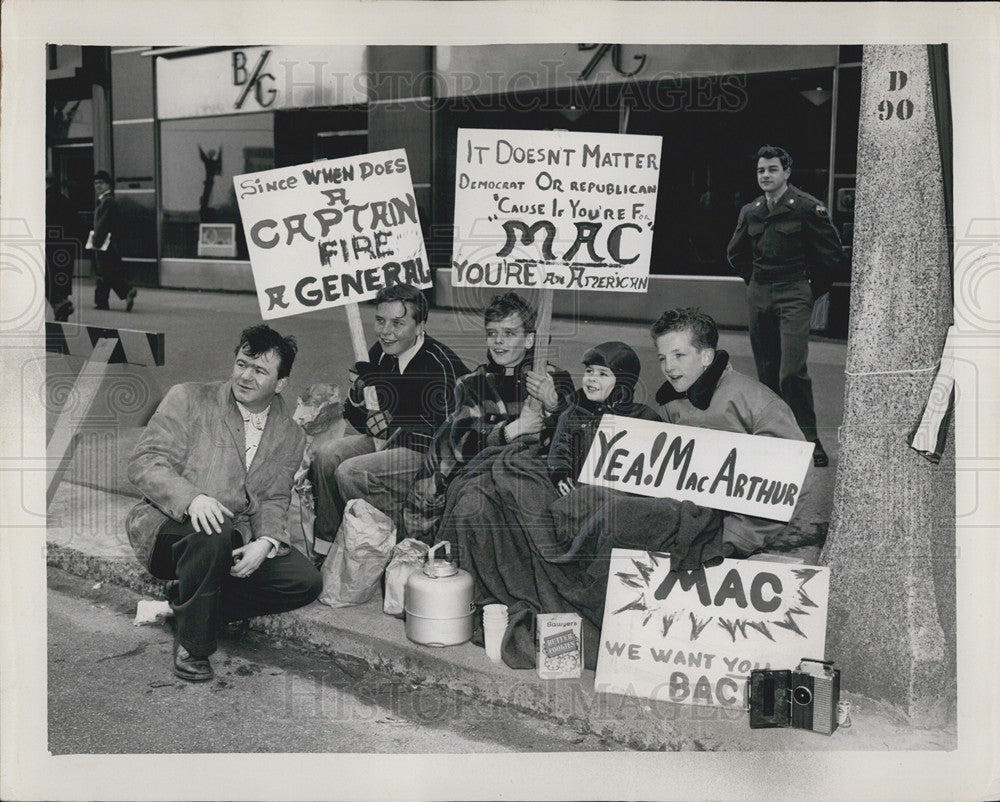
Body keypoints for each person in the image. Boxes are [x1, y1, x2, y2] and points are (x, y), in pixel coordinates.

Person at [126, 324, 321, 682]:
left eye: (260, 370)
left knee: (304, 580)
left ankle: (188, 605)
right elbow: (145, 462)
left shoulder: (291, 435)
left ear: (281, 383)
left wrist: (266, 541)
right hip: (168, 529)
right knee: (213, 531)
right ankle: (194, 644)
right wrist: (192, 498)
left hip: (234, 537)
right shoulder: (188, 398)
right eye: (242, 363)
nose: (245, 376)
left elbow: (276, 497)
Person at [310, 284, 467, 564]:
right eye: (380, 320)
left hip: (430, 456)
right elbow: (360, 419)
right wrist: (359, 397)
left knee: (353, 473)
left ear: (420, 325)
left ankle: (391, 548)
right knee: (326, 456)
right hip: (391, 442)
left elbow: (444, 434)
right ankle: (326, 548)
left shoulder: (438, 364)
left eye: (398, 323)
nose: (385, 331)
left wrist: (394, 423)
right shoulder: (380, 353)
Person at [401, 291, 574, 543]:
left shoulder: (554, 380)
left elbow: (574, 439)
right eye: (492, 333)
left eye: (509, 333)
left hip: (532, 485)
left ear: (529, 341)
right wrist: (514, 429)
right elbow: (462, 446)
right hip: (478, 480)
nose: (498, 342)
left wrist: (554, 406)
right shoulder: (472, 384)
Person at [652, 307, 814, 556]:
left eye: (679, 355)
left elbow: (794, 480)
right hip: (682, 522)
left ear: (706, 357)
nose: (668, 367)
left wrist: (736, 539)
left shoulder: (757, 403)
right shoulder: (669, 403)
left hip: (730, 534)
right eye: (662, 358)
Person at [726, 145, 848, 467]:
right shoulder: (751, 211)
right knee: (766, 370)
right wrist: (754, 282)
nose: (766, 176)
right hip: (760, 293)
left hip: (794, 292)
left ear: (787, 172)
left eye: (772, 170)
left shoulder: (808, 208)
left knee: (792, 371)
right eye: (761, 171)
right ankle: (773, 436)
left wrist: (809, 290)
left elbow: (833, 256)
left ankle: (809, 440)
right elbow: (735, 254)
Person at [547, 340, 661, 496]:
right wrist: (561, 475)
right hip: (581, 492)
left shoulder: (644, 418)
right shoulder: (572, 415)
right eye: (589, 371)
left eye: (603, 374)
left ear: (623, 383)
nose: (592, 378)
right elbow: (560, 452)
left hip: (625, 497)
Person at [91, 170, 136, 312]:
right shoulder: (105, 201)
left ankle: (103, 302)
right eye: (96, 183)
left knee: (104, 273)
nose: (98, 185)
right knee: (108, 273)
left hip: (105, 243)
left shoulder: (108, 202)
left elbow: (103, 224)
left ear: (108, 185)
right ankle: (125, 291)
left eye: (101, 183)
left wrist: (96, 241)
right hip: (108, 243)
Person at [45, 171, 79, 322]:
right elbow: (76, 224)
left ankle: (59, 304)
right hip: (66, 247)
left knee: (45, 278)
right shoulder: (66, 200)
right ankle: (62, 313)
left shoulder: (44, 201)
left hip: (49, 247)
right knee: (61, 279)